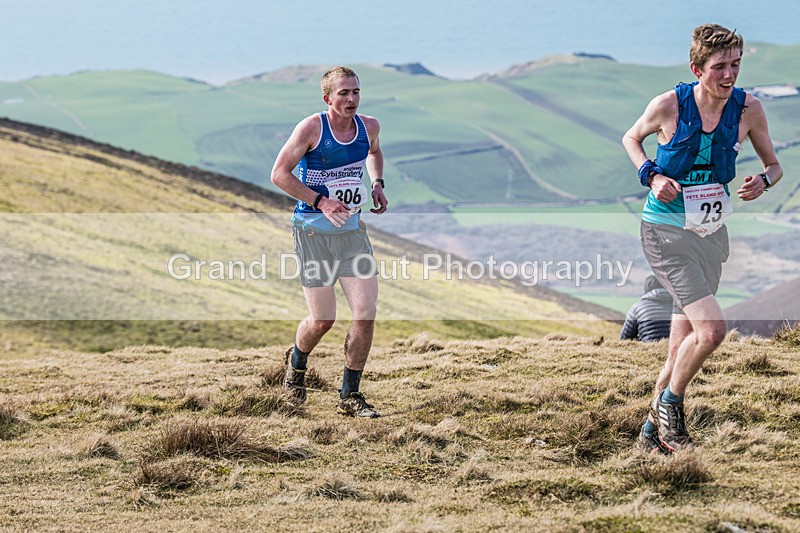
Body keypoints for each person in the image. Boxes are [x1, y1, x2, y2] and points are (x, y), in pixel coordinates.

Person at [621, 24, 782, 454]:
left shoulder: (749, 110)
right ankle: (672, 408)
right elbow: (631, 138)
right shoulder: (669, 105)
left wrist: (763, 182)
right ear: (697, 68)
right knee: (712, 331)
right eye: (719, 67)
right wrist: (651, 176)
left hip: (710, 237)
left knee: (679, 353)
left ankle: (649, 436)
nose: (729, 75)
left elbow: (775, 166)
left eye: (735, 65)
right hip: (665, 234)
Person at [271, 66, 389, 418]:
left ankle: (350, 396)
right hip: (312, 233)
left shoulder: (369, 126)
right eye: (343, 93)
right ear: (328, 98)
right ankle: (297, 363)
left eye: (355, 92)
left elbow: (374, 152)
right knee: (322, 320)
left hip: (352, 233)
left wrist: (378, 183)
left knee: (365, 314)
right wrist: (320, 201)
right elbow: (279, 174)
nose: (351, 99)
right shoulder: (311, 128)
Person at [620, 275, 672, 342]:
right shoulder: (679, 306)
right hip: (675, 348)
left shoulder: (637, 307)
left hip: (648, 348)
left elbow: (625, 337)